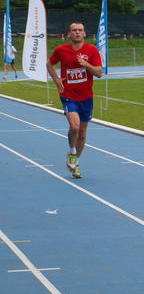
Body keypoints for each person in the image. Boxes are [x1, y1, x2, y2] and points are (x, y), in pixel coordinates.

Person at [46, 22, 103, 179]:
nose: (77, 32)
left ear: (84, 33)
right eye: (74, 30)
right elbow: (49, 63)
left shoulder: (92, 50)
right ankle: (72, 151)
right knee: (75, 126)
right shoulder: (61, 50)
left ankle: (75, 162)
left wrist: (85, 64)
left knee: (82, 135)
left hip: (86, 97)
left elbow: (99, 73)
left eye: (80, 30)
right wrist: (56, 79)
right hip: (68, 95)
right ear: (69, 34)